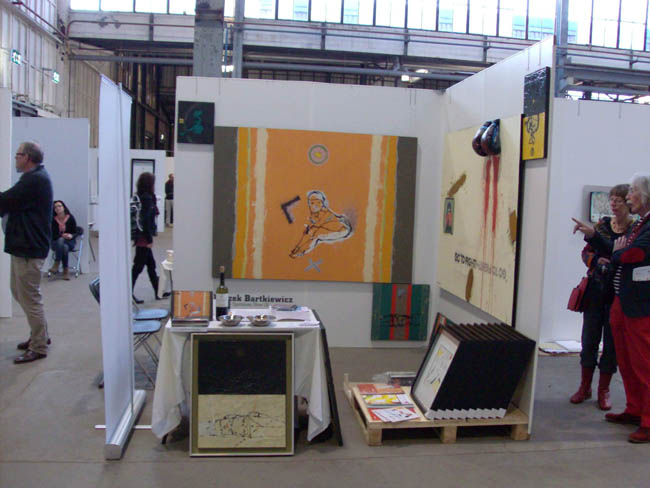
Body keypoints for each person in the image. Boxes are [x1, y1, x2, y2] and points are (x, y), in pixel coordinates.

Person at [573, 173, 650, 443]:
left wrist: (616, 254)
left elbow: (633, 254)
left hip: (640, 306)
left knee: (643, 364)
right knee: (627, 361)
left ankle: (648, 421)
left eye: (632, 192)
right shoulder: (641, 224)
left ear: (645, 195)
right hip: (622, 300)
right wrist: (597, 238)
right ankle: (634, 409)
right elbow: (618, 252)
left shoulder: (645, 227)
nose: (628, 198)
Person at [570, 184, 633, 410]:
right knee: (589, 339)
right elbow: (586, 252)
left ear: (628, 203)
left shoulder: (634, 230)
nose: (614, 204)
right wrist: (596, 261)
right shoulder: (603, 225)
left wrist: (612, 254)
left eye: (619, 200)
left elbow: (625, 255)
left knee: (612, 344)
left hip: (618, 293)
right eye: (612, 200)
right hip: (595, 290)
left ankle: (603, 390)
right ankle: (584, 387)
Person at [0, 142, 53, 363]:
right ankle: (40, 334)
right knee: (19, 292)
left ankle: (39, 346)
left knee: (30, 298)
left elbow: (5, 201)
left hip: (29, 249)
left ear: (28, 158)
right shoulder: (33, 178)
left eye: (18, 155)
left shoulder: (34, 180)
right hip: (24, 247)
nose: (16, 158)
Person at [289, 190, 352, 258]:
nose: (314, 205)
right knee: (310, 232)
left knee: (317, 235)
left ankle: (301, 252)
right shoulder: (313, 214)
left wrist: (311, 230)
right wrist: (299, 245)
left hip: (342, 229)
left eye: (318, 202)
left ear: (321, 203)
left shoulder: (325, 212)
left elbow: (320, 225)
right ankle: (297, 249)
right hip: (330, 227)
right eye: (311, 203)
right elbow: (310, 229)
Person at [132, 172, 161, 303]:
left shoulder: (140, 196)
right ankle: (128, 293)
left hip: (141, 236)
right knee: (138, 267)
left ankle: (158, 291)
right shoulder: (147, 199)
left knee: (151, 265)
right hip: (144, 238)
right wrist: (149, 239)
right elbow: (147, 221)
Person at [49, 200, 78, 280]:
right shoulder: (53, 220)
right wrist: (62, 235)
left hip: (69, 242)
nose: (57, 208)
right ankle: (65, 271)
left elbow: (76, 231)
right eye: (55, 207)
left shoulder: (70, 218)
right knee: (63, 244)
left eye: (59, 206)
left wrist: (71, 235)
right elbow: (52, 234)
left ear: (64, 207)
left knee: (65, 246)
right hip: (56, 243)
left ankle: (56, 263)